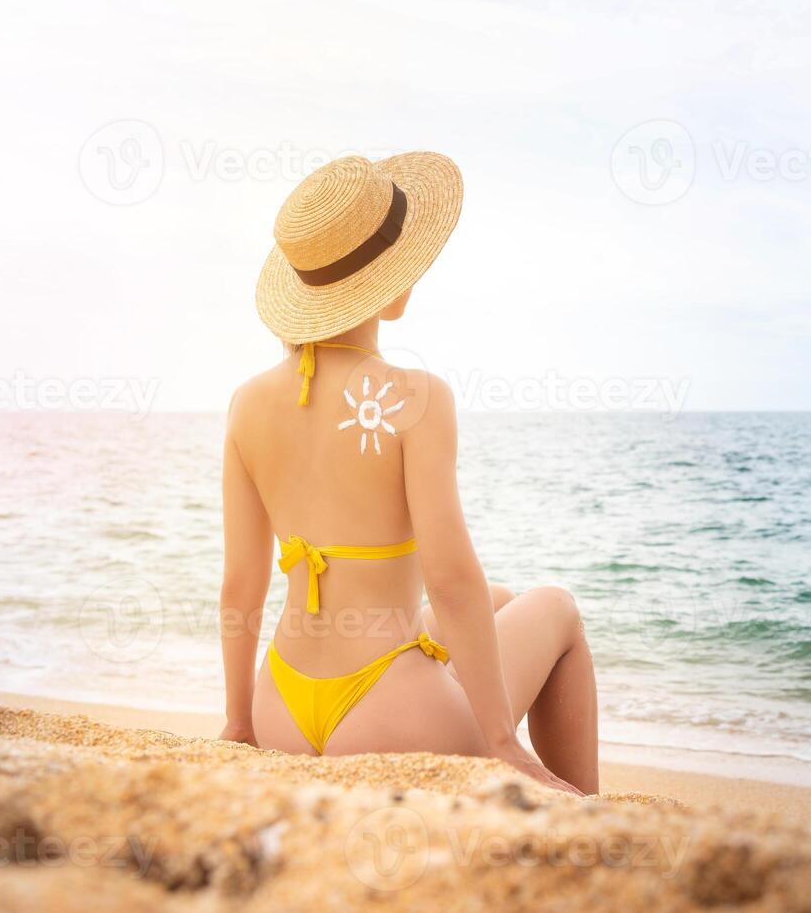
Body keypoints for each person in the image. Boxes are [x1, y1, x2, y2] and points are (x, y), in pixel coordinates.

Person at [218, 152, 596, 796]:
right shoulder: (414, 396)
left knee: (501, 597)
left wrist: (239, 722)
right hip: (389, 715)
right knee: (555, 609)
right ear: (388, 282)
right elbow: (449, 578)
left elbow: (240, 586)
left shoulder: (247, 402)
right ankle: (590, 812)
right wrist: (502, 740)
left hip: (281, 704)